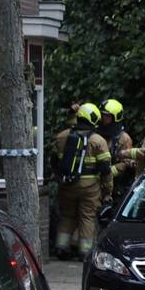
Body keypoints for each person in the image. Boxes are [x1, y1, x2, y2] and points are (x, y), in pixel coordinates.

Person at [54, 103, 113, 260]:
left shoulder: (61, 137)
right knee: (87, 216)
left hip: (66, 185)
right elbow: (106, 170)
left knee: (67, 215)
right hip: (90, 188)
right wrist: (108, 191)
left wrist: (59, 180)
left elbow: (54, 162)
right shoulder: (98, 141)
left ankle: (61, 247)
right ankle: (85, 251)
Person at [97, 99, 135, 196]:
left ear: (116, 118)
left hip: (115, 186)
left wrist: (108, 172)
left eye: (107, 116)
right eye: (102, 115)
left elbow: (125, 163)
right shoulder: (96, 134)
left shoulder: (124, 139)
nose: (103, 118)